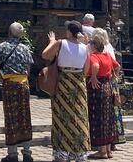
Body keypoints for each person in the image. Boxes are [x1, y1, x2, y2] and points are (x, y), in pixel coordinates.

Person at [42, 20, 91, 162]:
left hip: (64, 82)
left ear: (69, 31)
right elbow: (86, 70)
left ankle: (62, 152)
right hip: (78, 83)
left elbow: (45, 55)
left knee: (61, 116)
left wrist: (52, 41)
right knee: (80, 116)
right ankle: (79, 152)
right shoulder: (85, 47)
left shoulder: (61, 43)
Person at [0, 22, 34, 162]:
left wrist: (3, 79)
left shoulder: (2, 47)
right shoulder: (25, 48)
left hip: (9, 84)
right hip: (23, 84)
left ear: (9, 32)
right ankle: (27, 152)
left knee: (11, 117)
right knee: (25, 117)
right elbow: (28, 70)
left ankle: (13, 154)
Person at [86, 29, 120, 159]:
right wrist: (113, 75)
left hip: (97, 88)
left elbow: (94, 65)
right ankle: (108, 150)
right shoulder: (107, 56)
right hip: (107, 87)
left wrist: (94, 76)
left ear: (94, 45)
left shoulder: (94, 56)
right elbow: (117, 66)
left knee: (98, 118)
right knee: (108, 118)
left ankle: (102, 151)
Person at [93, 28, 125, 152]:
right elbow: (116, 65)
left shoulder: (99, 50)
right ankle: (112, 142)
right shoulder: (109, 47)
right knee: (112, 112)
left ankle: (104, 143)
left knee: (104, 113)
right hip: (111, 81)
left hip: (103, 80)